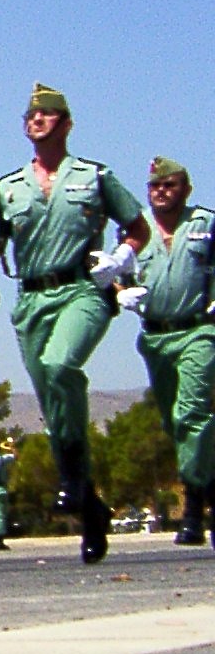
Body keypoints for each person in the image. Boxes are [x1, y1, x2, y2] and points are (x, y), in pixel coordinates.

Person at [0, 83, 148, 564]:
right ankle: (89, 502)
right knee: (50, 395)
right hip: (32, 300)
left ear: (66, 124)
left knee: (61, 364)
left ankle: (71, 478)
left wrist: (121, 257)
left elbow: (138, 227)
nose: (37, 120)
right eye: (31, 116)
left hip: (83, 290)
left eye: (47, 114)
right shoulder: (8, 187)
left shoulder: (95, 177)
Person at [117, 157, 214, 547]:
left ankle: (192, 512)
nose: (161, 192)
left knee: (192, 413)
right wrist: (120, 292)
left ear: (185, 190)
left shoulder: (205, 224)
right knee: (175, 422)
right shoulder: (135, 229)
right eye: (155, 186)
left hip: (198, 331)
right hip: (155, 337)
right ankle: (208, 482)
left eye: (169, 185)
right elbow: (114, 273)